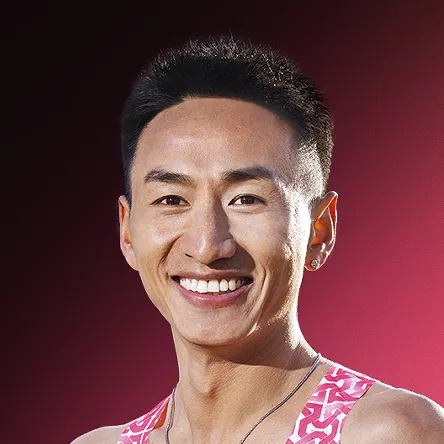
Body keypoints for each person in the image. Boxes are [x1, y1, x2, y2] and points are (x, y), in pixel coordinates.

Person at [73, 36, 444, 444]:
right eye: (171, 200)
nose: (207, 246)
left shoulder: (386, 432)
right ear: (127, 230)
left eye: (246, 199)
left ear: (319, 229)